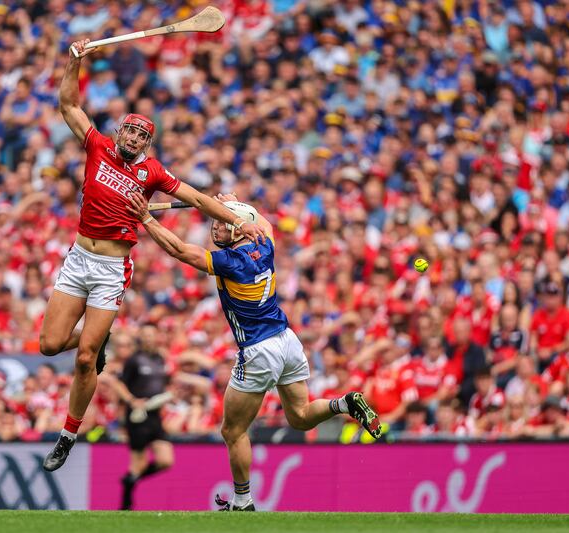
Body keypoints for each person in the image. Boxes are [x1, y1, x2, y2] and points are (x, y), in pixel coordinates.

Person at [41, 39, 266, 473]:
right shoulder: (98, 146)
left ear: (147, 142)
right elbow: (68, 104)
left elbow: (198, 199)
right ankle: (96, 336)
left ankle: (68, 434)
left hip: (111, 268)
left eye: (143, 135)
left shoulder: (153, 173)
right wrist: (75, 62)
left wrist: (238, 221)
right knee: (51, 345)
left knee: (86, 358)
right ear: (120, 130)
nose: (134, 137)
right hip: (78, 258)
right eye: (130, 130)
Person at [126, 191, 381, 511]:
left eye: (222, 224)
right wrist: (234, 205)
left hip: (259, 349)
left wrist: (146, 219)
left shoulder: (231, 262)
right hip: (287, 341)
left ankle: (243, 501)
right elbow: (263, 222)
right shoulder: (266, 243)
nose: (216, 228)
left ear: (238, 230)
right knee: (300, 417)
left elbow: (178, 249)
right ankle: (343, 402)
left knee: (232, 430)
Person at [111, 326, 174, 510]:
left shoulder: (160, 359)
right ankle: (125, 504)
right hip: (138, 416)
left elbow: (163, 384)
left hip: (155, 416)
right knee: (138, 462)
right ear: (140, 338)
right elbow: (119, 384)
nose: (148, 338)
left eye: (152, 335)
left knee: (165, 460)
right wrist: (132, 400)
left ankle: (130, 480)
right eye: (145, 335)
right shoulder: (134, 359)